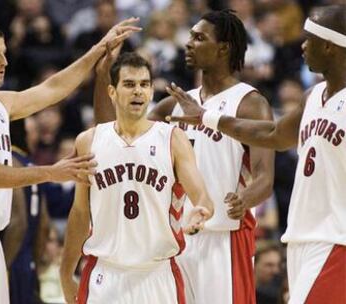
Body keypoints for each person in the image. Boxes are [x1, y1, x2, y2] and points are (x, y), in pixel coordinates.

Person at [0, 19, 140, 304]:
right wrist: (51, 173)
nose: (4, 61)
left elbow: (53, 89)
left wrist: (98, 49)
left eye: (4, 53)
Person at [168, 4, 346, 303]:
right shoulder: (313, 96)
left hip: (337, 239)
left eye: (309, 39)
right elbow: (273, 135)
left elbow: (264, 170)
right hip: (302, 238)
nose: (301, 46)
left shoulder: (251, 99)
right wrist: (206, 117)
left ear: (329, 46)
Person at [94, 10, 274, 304]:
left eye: (199, 38)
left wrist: (246, 199)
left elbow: (265, 178)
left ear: (224, 48)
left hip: (223, 240)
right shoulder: (172, 106)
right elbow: (106, 136)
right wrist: (103, 74)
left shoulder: (250, 104)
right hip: (174, 243)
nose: (188, 43)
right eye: (190, 36)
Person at [60, 52, 214, 304]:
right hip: (104, 274)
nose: (138, 92)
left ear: (152, 91)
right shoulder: (88, 141)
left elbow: (201, 195)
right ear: (112, 91)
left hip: (158, 274)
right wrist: (66, 272)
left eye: (144, 85)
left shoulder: (173, 139)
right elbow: (79, 212)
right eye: (129, 84)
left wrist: (201, 209)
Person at [1, 119, 50, 304]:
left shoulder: (9, 162)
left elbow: (18, 221)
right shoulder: (33, 166)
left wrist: (3, 265)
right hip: (27, 260)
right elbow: (44, 224)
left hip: (10, 257)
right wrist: (34, 263)